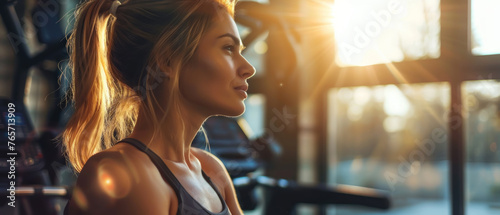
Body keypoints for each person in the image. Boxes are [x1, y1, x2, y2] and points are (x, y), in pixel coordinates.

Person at [61, 0, 255, 214]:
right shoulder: (127, 173)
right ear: (167, 60)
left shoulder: (210, 169)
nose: (249, 68)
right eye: (228, 48)